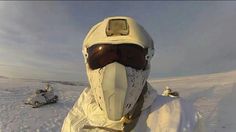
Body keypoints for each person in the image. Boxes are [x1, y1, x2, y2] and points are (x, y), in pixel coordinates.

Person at [62, 16, 205, 132]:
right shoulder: (77, 117)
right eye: (102, 59)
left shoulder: (178, 116)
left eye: (130, 58)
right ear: (88, 63)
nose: (115, 70)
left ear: (146, 63)